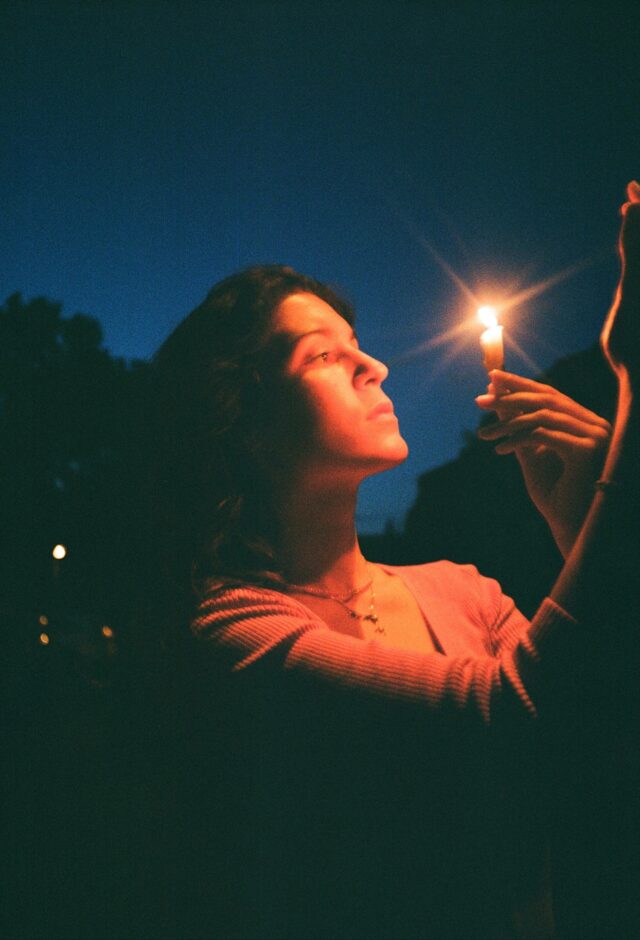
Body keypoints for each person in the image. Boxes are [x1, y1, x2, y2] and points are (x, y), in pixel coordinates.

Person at [149, 183, 640, 939]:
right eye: (324, 355)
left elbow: (597, 739)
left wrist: (579, 526)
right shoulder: (236, 631)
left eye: (359, 343)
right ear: (243, 421)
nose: (374, 365)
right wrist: (629, 431)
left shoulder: (465, 592)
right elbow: (511, 717)